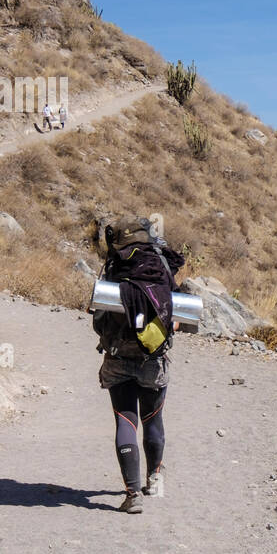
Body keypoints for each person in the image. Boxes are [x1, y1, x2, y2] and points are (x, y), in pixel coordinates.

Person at [91, 217, 185, 513]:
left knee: (126, 421)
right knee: (152, 420)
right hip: (153, 359)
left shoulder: (115, 267)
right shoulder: (161, 265)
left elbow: (98, 314)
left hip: (118, 356)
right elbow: (178, 317)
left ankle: (132, 495)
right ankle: (154, 480)